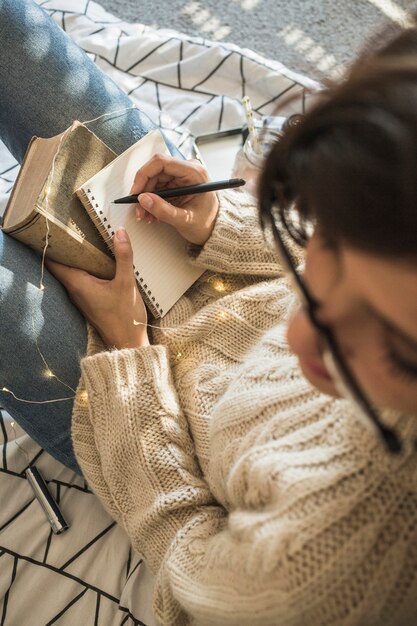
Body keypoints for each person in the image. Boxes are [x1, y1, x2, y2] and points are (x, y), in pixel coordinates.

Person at [1, 1, 417, 625]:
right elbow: (333, 253)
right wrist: (216, 224)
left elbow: (183, 547)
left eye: (389, 345)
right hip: (188, 271)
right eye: (335, 250)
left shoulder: (336, 568)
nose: (298, 330)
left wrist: (126, 355)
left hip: (126, 416)